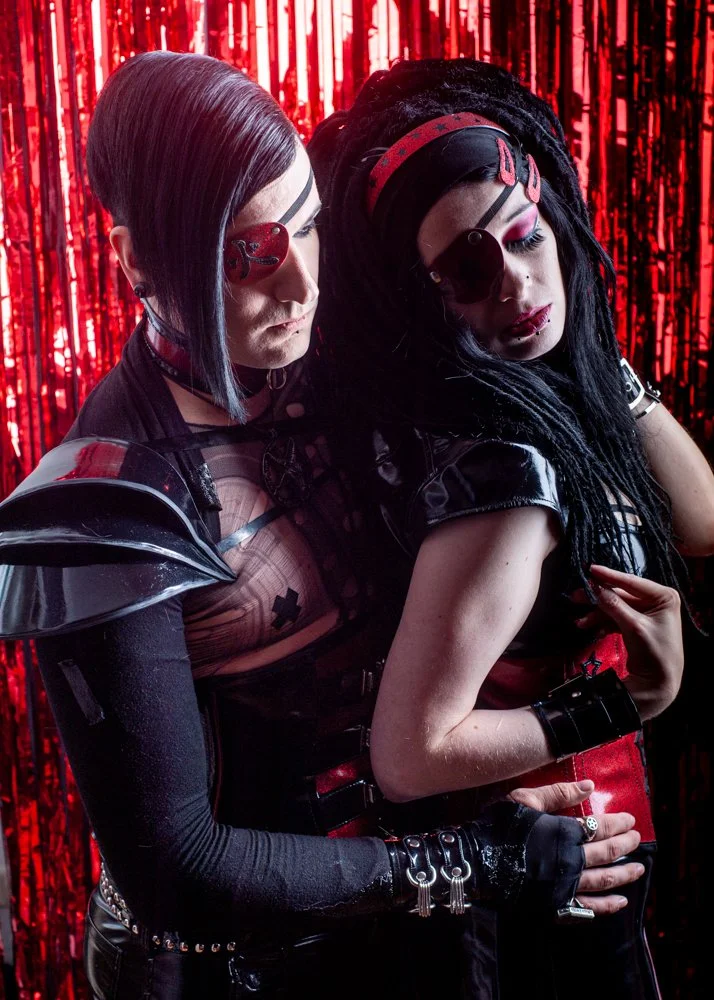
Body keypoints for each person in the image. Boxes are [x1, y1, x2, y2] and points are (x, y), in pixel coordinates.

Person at [0, 53, 683, 1000]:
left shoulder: (354, 356)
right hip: (239, 967)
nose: (301, 288)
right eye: (250, 254)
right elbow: (176, 870)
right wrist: (473, 859)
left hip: (424, 935)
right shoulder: (107, 504)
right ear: (135, 262)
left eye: (310, 226)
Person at [309, 57, 713, 999]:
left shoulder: (537, 396)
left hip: (576, 853)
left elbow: (701, 523)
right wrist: (625, 704)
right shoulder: (508, 478)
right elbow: (408, 755)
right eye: (465, 274)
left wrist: (593, 362)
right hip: (536, 877)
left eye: (528, 238)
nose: (518, 286)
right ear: (420, 302)